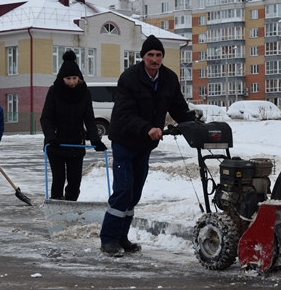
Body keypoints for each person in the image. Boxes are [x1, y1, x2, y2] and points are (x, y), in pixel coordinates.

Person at [100, 34, 196, 257]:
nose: (155, 59)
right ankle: (108, 239)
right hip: (125, 140)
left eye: (158, 55)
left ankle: (122, 237)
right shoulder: (129, 78)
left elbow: (179, 108)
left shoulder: (169, 79)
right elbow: (125, 114)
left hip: (145, 145)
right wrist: (148, 128)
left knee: (134, 193)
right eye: (150, 55)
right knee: (123, 190)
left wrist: (193, 124)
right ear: (142, 57)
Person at [40, 50, 107, 201]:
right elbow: (46, 118)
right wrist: (51, 137)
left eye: (74, 78)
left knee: (75, 180)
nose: (72, 82)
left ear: (79, 78)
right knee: (59, 177)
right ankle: (56, 205)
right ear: (62, 78)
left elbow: (89, 118)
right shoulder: (54, 91)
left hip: (76, 143)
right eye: (68, 78)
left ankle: (71, 205)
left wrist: (95, 140)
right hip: (56, 143)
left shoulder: (84, 93)